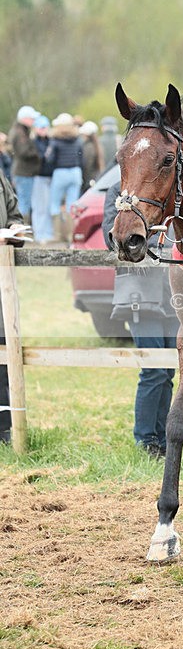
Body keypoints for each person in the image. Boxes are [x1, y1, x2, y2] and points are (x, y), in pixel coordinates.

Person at [103, 181, 179, 458]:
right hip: (140, 295)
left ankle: (163, 437)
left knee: (169, 371)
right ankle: (146, 439)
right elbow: (110, 236)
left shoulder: (169, 187)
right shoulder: (118, 193)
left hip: (173, 295)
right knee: (153, 369)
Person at [0, 169, 27, 445]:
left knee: (4, 359)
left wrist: (15, 231)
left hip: (2, 282)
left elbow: (14, 213)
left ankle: (5, 430)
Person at [46, 113, 83, 245]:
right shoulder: (77, 138)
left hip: (60, 171)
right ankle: (70, 234)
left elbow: (49, 159)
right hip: (75, 171)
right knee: (71, 204)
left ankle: (57, 235)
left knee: (55, 203)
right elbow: (80, 156)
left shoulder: (55, 140)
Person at [7, 105, 41, 222]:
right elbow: (23, 152)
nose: (33, 121)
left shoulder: (22, 131)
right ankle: (21, 228)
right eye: (32, 118)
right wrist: (37, 153)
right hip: (23, 173)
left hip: (25, 172)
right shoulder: (19, 132)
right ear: (24, 118)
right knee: (24, 202)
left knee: (25, 201)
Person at [30, 115, 55, 245]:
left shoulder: (50, 140)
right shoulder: (34, 142)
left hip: (51, 176)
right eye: (41, 128)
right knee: (40, 206)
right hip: (39, 177)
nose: (43, 130)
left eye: (45, 127)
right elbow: (42, 157)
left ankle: (49, 233)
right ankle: (40, 233)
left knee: (49, 206)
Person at [79, 120, 105, 192]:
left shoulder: (88, 147)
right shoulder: (97, 145)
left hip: (88, 180)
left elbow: (87, 166)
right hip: (94, 178)